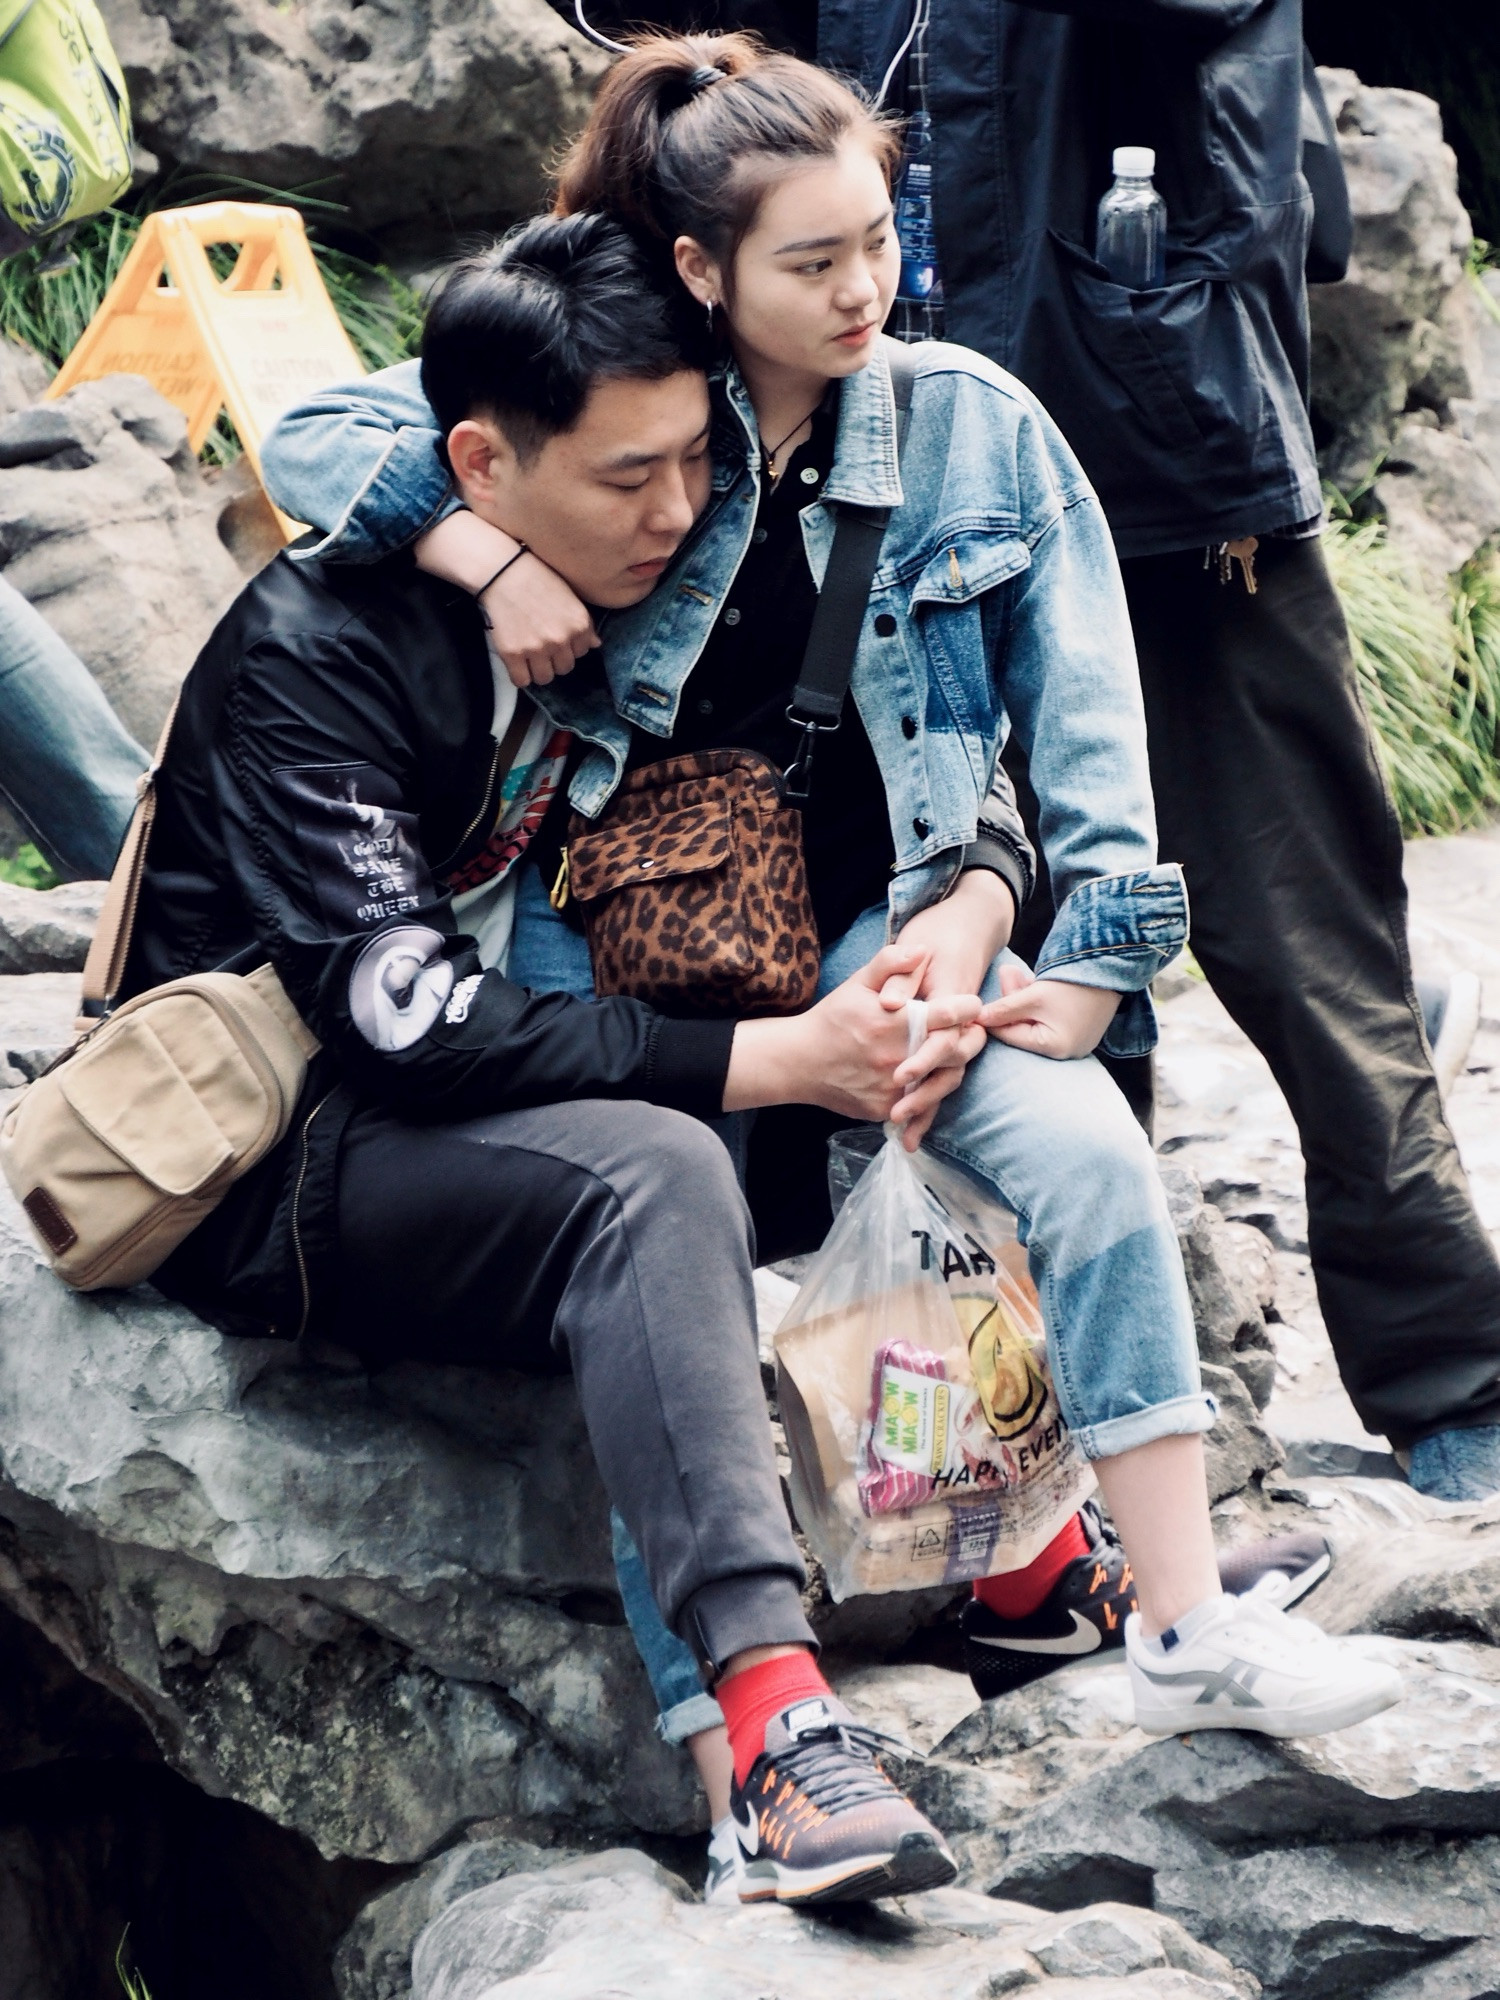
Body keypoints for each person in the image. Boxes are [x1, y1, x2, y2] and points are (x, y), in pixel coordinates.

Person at [260, 33, 1403, 1891]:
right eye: (814, 260)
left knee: (1073, 1144)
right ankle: (751, 1757)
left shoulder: (967, 422)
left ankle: (1179, 1618)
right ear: (703, 267)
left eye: (880, 238)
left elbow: (1091, 720)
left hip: (870, 912)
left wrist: (1087, 964)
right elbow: (313, 428)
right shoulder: (622, 384)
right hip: (603, 911)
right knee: (669, 1219)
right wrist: (482, 554)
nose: (864, 288)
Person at [120, 209, 1000, 1910]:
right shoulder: (315, 653)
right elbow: (410, 1026)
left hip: (472, 1108)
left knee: (918, 1089)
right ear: (478, 465)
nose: (676, 517)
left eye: (693, 467)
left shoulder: (636, 581)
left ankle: (1027, 1541)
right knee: (661, 1164)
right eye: (625, 481)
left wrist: (965, 924)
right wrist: (771, 1058)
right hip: (272, 1150)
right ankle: (769, 1737)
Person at [578, 0, 1500, 1505]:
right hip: (874, 456)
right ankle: (1080, 1433)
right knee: (974, 963)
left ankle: (1454, 1381)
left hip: (1161, 437)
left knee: (1307, 947)